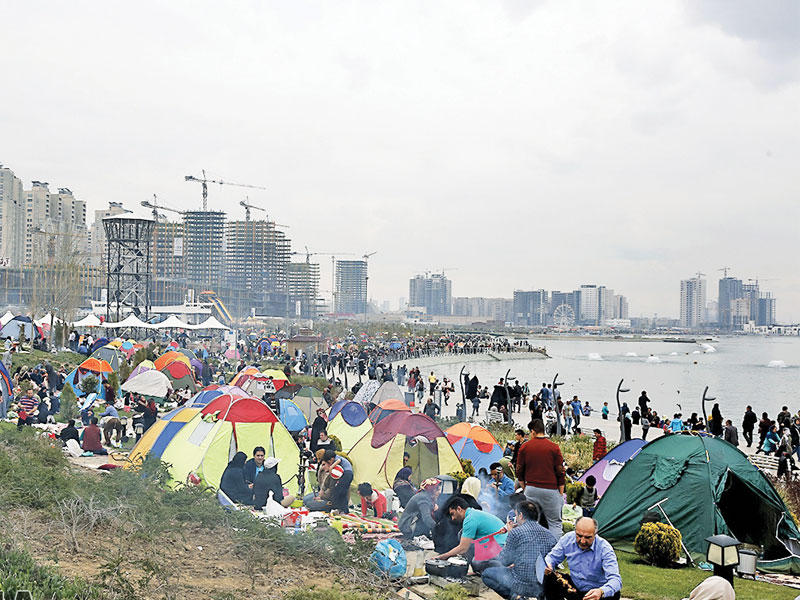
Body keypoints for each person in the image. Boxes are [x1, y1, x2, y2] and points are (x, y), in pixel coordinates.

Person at [481, 500, 557, 600]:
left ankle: (517, 597)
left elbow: (504, 561)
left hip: (521, 584)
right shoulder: (549, 534)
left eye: (516, 515)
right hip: (542, 586)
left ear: (520, 515)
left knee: (487, 574)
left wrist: (508, 534)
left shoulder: (516, 532)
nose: (516, 518)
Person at [544, 517, 622, 600]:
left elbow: (616, 580)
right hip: (574, 588)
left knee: (612, 594)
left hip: (596, 592)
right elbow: (552, 557)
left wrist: (601, 591)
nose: (583, 541)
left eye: (588, 537)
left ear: (595, 534)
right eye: (579, 536)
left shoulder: (605, 549)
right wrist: (548, 564)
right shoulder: (567, 539)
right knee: (549, 577)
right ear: (575, 530)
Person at [516, 419, 566, 538]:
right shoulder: (554, 447)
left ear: (533, 431)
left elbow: (519, 469)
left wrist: (525, 487)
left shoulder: (525, 447)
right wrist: (561, 490)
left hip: (531, 489)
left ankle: (530, 547)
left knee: (530, 522)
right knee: (555, 523)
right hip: (550, 490)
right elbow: (560, 470)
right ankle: (555, 552)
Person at [433, 496, 507, 573]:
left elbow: (463, 548)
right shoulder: (472, 514)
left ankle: (502, 567)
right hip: (492, 544)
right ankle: (475, 568)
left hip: (501, 546)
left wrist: (443, 556)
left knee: (477, 563)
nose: (453, 518)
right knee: (461, 534)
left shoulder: (470, 519)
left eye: (453, 514)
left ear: (459, 509)